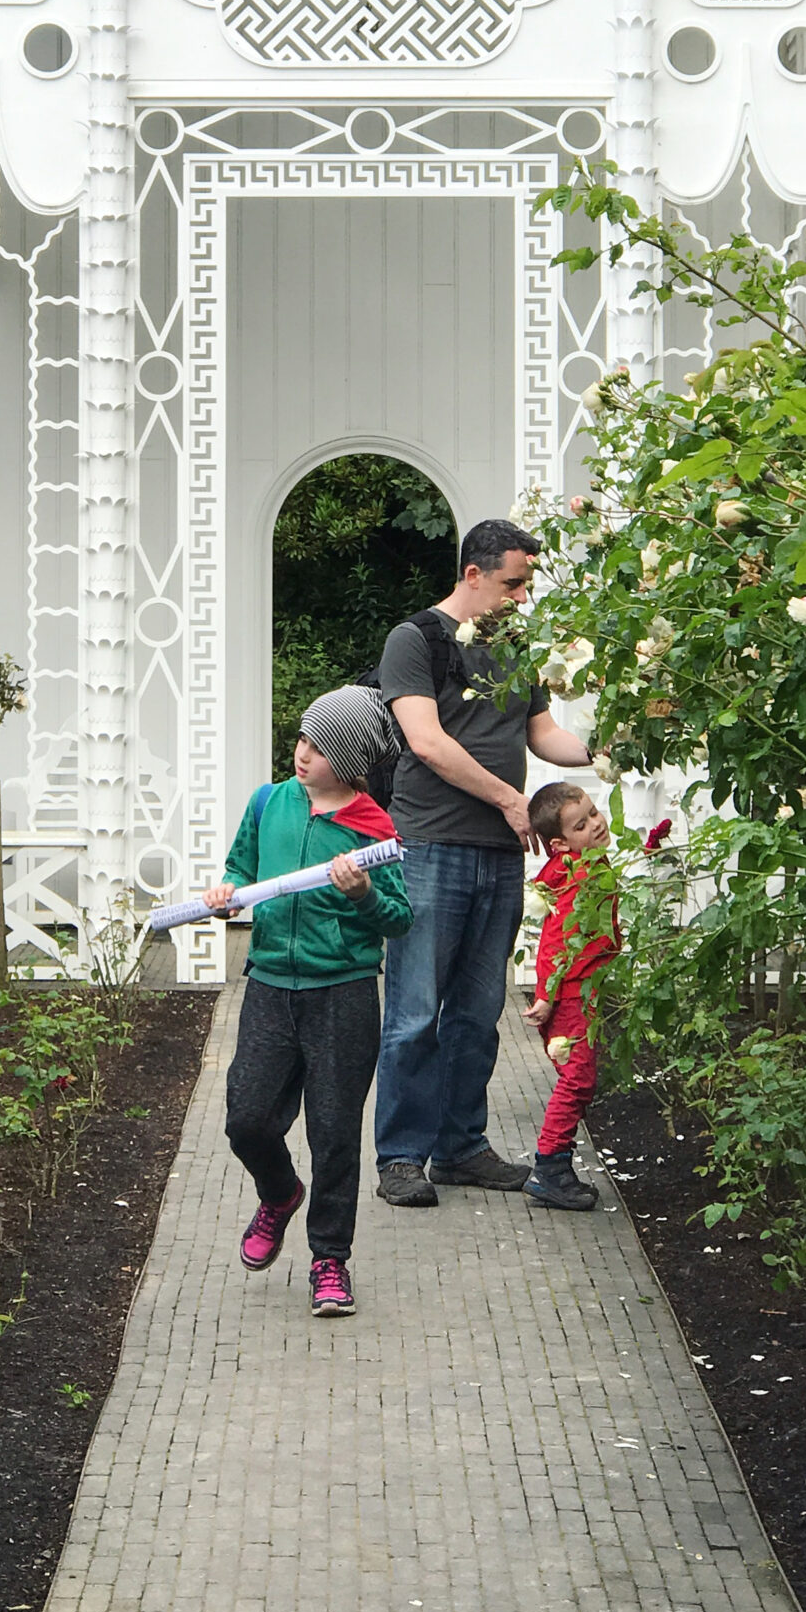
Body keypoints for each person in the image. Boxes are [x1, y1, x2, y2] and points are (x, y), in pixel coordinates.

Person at [372, 517, 591, 1206]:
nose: (522, 599)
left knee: (477, 1009)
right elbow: (426, 741)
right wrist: (510, 800)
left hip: (498, 854)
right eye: (512, 584)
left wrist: (617, 743)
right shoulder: (415, 640)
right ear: (473, 574)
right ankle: (401, 1156)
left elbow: (543, 734)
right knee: (413, 1010)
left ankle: (460, 1148)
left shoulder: (517, 646)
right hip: (431, 844)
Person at [204, 685, 410, 1317]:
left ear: (346, 762)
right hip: (269, 985)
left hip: (343, 996)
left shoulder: (374, 831)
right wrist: (228, 891)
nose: (302, 755)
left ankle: (329, 1260)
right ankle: (279, 1192)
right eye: (301, 740)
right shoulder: (269, 803)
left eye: (319, 748)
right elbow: (241, 866)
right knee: (247, 1118)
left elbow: (399, 918)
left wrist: (362, 895)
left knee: (334, 1134)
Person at [521, 782, 618, 1211]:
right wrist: (546, 996)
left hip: (584, 991)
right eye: (582, 824)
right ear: (560, 845)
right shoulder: (580, 875)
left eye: (594, 813)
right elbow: (555, 941)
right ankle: (550, 1168)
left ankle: (555, 1164)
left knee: (579, 1080)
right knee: (576, 1081)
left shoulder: (591, 866)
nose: (596, 824)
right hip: (572, 996)